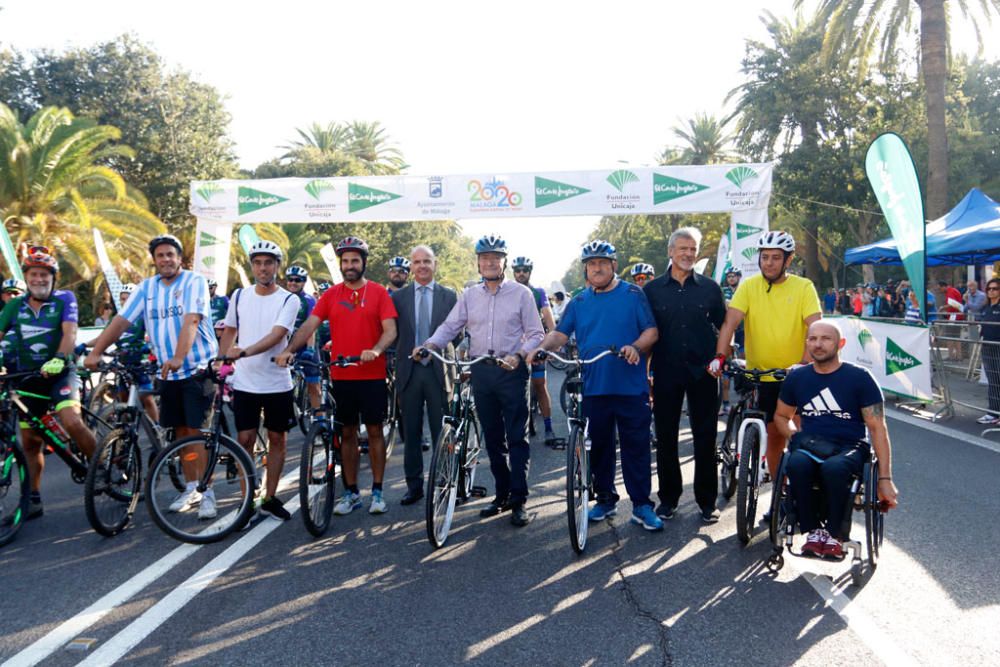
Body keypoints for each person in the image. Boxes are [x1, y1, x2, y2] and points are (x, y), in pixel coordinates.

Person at [529, 240, 660, 529]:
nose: (596, 268)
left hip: (630, 387)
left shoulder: (633, 294)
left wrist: (636, 347)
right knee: (598, 448)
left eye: (602, 263)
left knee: (635, 447)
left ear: (613, 266)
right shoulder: (579, 301)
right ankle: (605, 501)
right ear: (586, 270)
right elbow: (561, 335)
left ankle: (641, 505)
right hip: (595, 387)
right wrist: (539, 349)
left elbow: (651, 331)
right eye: (591, 264)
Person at [86, 234, 219, 519]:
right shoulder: (147, 288)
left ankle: (207, 492)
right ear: (155, 261)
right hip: (167, 373)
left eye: (171, 254)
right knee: (180, 433)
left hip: (196, 369)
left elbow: (192, 320)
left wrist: (180, 356)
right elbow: (121, 321)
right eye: (160, 256)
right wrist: (96, 351)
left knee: (195, 432)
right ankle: (192, 487)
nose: (166, 259)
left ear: (179, 258)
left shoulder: (193, 282)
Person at [416, 234, 544, 527]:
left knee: (516, 438)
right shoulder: (470, 295)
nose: (489, 262)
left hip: (511, 372)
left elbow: (536, 334)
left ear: (504, 262)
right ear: (478, 263)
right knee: (493, 439)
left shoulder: (521, 294)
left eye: (495, 258)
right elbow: (450, 326)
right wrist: (430, 345)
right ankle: (501, 495)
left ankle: (519, 500)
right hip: (481, 372)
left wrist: (519, 354)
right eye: (484, 258)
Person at [277, 237, 398, 515]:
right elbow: (310, 325)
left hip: (372, 374)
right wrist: (289, 350)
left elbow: (390, 330)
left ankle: (377, 491)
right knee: (347, 432)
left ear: (363, 263)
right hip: (342, 375)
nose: (349, 265)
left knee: (376, 431)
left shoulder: (378, 292)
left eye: (355, 260)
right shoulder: (331, 295)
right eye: (345, 261)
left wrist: (376, 350)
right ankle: (351, 492)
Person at [773, 320, 899, 558]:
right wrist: (794, 434)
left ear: (840, 344)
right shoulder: (797, 378)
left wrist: (885, 478)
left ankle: (835, 534)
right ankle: (812, 531)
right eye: (813, 339)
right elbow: (781, 416)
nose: (818, 344)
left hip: (850, 446)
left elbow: (877, 428)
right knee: (796, 463)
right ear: (807, 343)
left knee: (835, 468)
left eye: (825, 339)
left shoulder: (860, 378)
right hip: (810, 444)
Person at [711, 230, 821, 484]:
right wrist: (720, 355)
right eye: (764, 257)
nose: (768, 263)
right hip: (762, 375)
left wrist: (804, 364)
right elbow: (730, 323)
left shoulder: (804, 287)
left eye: (775, 257)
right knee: (774, 438)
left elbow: (815, 329)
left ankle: (803, 491)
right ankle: (780, 499)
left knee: (801, 438)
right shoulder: (749, 286)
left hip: (797, 376)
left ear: (788, 260)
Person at [0, 247, 96, 519]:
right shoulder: (13, 306)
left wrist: (59, 357)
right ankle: (33, 498)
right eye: (34, 274)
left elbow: (70, 333)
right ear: (27, 277)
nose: (39, 279)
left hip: (59, 372)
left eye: (44, 274)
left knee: (72, 421)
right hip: (27, 377)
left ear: (53, 278)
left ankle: (98, 467)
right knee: (30, 441)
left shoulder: (65, 299)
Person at [643, 228, 727, 523]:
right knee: (665, 438)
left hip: (703, 373)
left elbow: (724, 328)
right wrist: (645, 373)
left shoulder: (710, 288)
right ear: (670, 252)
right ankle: (668, 499)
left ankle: (707, 502)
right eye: (683, 249)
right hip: (665, 372)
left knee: (705, 438)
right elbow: (646, 333)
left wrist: (721, 358)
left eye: (693, 249)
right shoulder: (651, 290)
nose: (689, 254)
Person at [217, 241, 300, 520]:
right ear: (252, 266)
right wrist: (221, 357)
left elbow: (278, 335)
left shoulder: (289, 299)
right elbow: (230, 329)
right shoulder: (239, 295)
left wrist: (244, 351)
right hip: (245, 382)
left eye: (268, 263)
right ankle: (246, 501)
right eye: (258, 263)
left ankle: (270, 497)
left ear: (277, 266)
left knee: (277, 439)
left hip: (277, 382)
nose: (263, 268)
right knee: (245, 440)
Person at [390, 245, 458, 505]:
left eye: (426, 261)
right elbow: (393, 332)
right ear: (411, 266)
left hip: (439, 371)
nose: (421, 266)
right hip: (409, 372)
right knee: (412, 433)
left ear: (435, 264)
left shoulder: (449, 296)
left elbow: (457, 332)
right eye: (417, 262)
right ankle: (414, 486)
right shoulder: (399, 298)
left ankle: (444, 480)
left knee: (442, 431)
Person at [511, 255, 558, 445]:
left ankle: (548, 428)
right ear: (513, 272)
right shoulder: (508, 291)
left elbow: (549, 320)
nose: (521, 273)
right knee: (512, 390)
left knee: (540, 385)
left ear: (530, 272)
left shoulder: (538, 293)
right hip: (514, 349)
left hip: (536, 345)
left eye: (525, 270)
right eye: (518, 270)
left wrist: (551, 344)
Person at [112, 284, 159, 424]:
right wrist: (86, 346)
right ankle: (125, 430)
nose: (124, 302)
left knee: (147, 398)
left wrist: (148, 347)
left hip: (139, 361)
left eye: (127, 299)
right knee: (123, 397)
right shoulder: (117, 317)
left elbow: (154, 336)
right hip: (123, 361)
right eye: (122, 299)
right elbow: (105, 336)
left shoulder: (143, 316)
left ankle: (157, 429)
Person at [284, 265, 321, 412]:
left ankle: (319, 417)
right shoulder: (283, 298)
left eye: (297, 280)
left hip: (307, 345)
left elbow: (311, 326)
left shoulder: (308, 300)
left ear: (304, 282)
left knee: (313, 384)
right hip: (287, 347)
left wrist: (310, 348)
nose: (293, 282)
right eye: (290, 280)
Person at [976, 278, 1000, 424]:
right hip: (987, 347)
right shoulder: (985, 307)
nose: (991, 291)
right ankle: (993, 412)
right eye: (989, 289)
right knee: (993, 381)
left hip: (998, 347)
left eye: (995, 288)